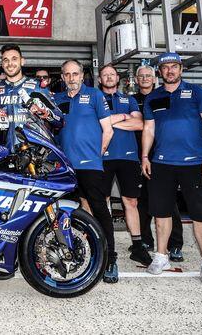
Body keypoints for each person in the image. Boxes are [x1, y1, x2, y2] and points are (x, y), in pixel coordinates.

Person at [141, 53, 202, 285]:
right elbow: (148, 129)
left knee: (201, 216)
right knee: (161, 213)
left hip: (195, 164)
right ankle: (161, 256)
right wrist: (145, 156)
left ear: (181, 69)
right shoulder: (153, 97)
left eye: (174, 66)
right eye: (165, 67)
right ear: (160, 71)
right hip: (162, 164)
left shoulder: (197, 92)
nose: (170, 70)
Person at [55, 59, 118, 283]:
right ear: (62, 77)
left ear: (82, 76)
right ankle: (72, 254)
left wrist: (97, 154)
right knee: (66, 213)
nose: (71, 78)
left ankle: (110, 259)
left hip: (90, 165)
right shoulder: (57, 99)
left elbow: (108, 130)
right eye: (67, 74)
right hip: (64, 167)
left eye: (75, 74)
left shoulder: (95, 95)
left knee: (100, 211)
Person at [98, 64, 152, 266]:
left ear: (117, 78)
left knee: (131, 202)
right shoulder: (95, 98)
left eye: (112, 74)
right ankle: (104, 245)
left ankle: (137, 247)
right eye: (105, 75)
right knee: (102, 202)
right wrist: (124, 117)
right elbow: (93, 124)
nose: (109, 77)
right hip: (101, 158)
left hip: (128, 158)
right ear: (100, 79)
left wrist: (109, 122)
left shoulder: (128, 100)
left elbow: (139, 124)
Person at [133, 65, 184, 260]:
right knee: (142, 200)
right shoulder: (132, 100)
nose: (145, 78)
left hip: (163, 156)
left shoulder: (163, 96)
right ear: (136, 80)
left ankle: (175, 245)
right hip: (140, 156)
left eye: (148, 75)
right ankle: (146, 240)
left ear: (154, 78)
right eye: (141, 76)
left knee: (168, 202)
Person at [0, 44, 62, 152]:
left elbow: (60, 121)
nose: (10, 64)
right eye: (6, 60)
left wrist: (45, 112)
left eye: (14, 59)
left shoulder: (37, 87)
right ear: (2, 64)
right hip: (1, 153)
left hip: (32, 154)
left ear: (22, 61)